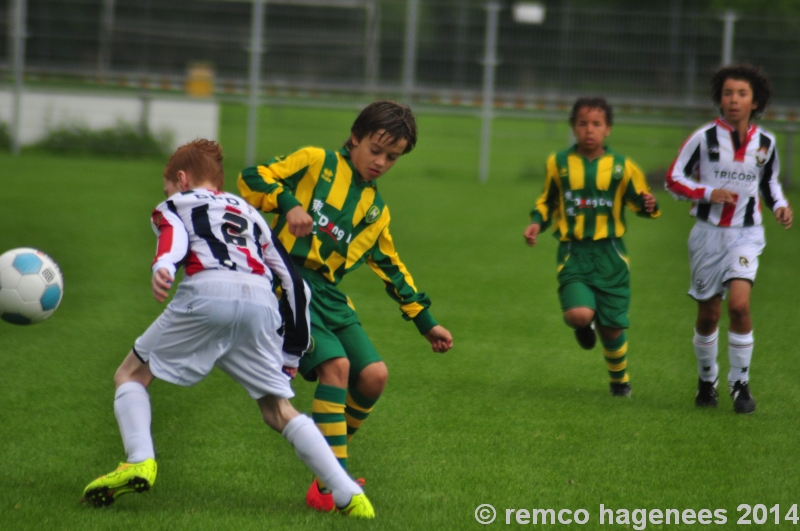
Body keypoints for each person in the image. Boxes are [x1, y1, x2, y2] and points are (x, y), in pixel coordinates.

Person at [82, 139, 374, 518]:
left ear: (182, 179)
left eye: (167, 186)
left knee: (130, 375)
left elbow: (173, 237)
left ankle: (139, 460)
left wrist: (163, 267)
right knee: (278, 409)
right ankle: (347, 492)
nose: (167, 193)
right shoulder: (248, 212)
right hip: (260, 301)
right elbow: (294, 283)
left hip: (207, 290)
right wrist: (290, 353)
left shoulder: (175, 204)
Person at [237, 100, 453, 511]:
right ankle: (334, 481)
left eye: (392, 157)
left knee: (373, 376)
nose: (381, 162)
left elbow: (391, 267)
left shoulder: (375, 210)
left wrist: (426, 322)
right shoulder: (316, 162)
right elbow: (253, 176)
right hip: (285, 280)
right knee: (337, 367)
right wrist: (289, 204)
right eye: (376, 149)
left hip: (330, 295)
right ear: (355, 137)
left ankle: (327, 463)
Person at [666, 64, 792, 413]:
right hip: (707, 236)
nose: (733, 100)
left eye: (741, 94)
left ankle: (740, 384)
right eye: (727, 93)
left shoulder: (765, 143)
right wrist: (708, 193)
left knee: (738, 305)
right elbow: (673, 179)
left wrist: (780, 205)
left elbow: (768, 183)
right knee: (708, 315)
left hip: (746, 235)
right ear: (719, 99)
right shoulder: (703, 138)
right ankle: (708, 380)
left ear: (755, 102)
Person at [524, 97, 659, 397]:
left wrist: (649, 203)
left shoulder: (622, 166)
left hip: (611, 254)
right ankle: (585, 326)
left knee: (612, 328)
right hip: (574, 252)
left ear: (608, 129)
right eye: (582, 123)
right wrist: (536, 222)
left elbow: (640, 201)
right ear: (573, 126)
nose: (589, 130)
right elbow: (548, 201)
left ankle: (619, 381)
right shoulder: (558, 163)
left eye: (596, 124)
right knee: (578, 315)